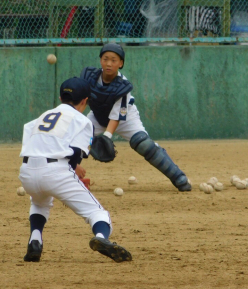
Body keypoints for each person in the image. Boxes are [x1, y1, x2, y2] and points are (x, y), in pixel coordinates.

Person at [18, 77, 132, 263]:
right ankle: (102, 239)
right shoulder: (82, 120)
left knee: (39, 203)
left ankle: (35, 240)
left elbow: (35, 146)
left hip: (27, 171)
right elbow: (76, 155)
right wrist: (71, 177)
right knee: (98, 213)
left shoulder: (39, 118)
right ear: (85, 101)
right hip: (56, 173)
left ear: (61, 97)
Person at [80, 43, 192, 192]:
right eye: (105, 59)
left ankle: (179, 177)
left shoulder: (123, 86)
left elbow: (117, 116)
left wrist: (107, 136)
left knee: (144, 144)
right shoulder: (90, 77)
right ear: (100, 60)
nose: (109, 63)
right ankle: (67, 177)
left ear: (121, 64)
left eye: (114, 60)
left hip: (125, 119)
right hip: (98, 115)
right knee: (76, 139)